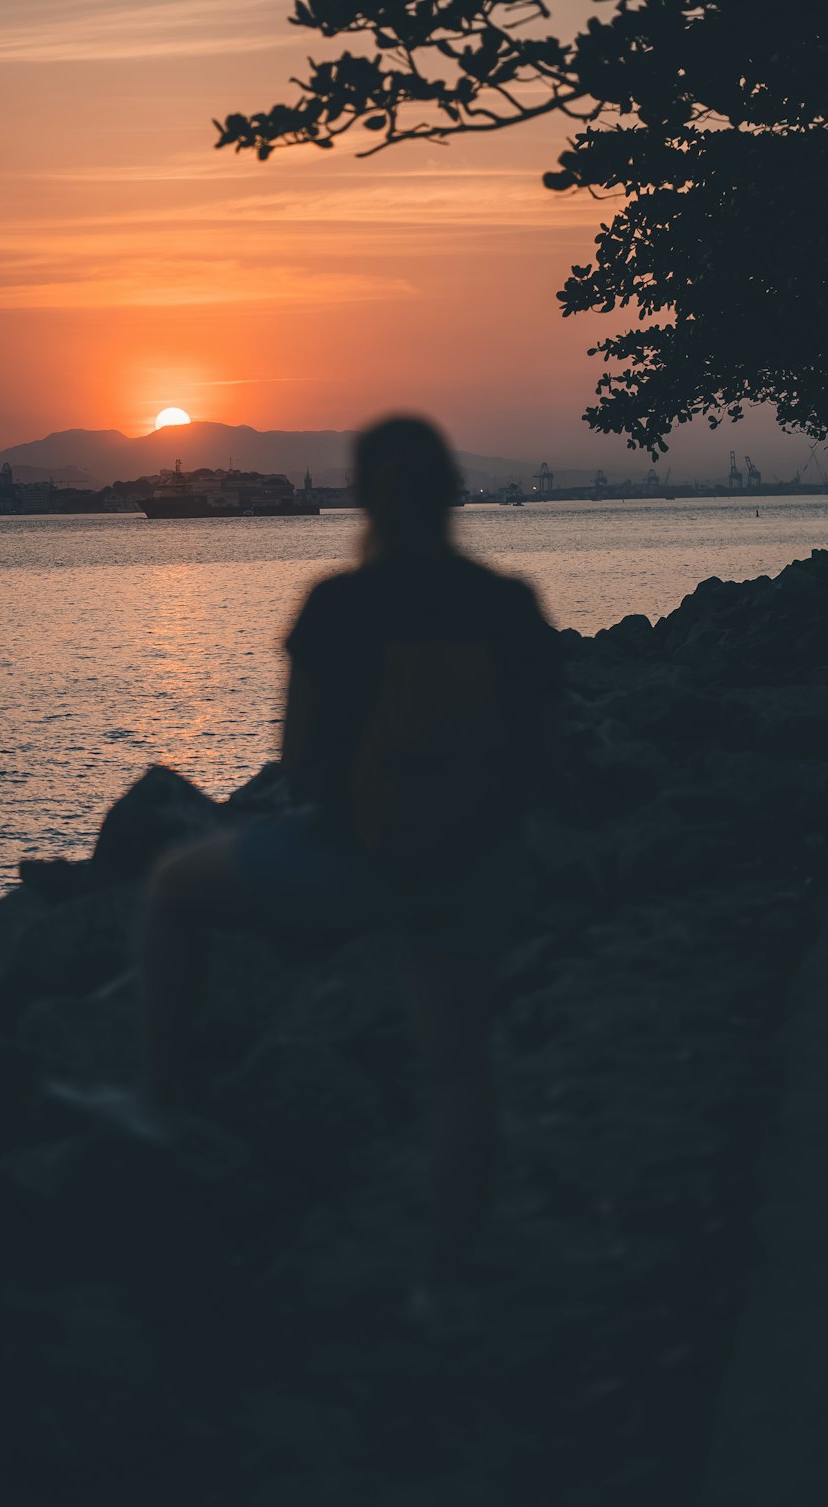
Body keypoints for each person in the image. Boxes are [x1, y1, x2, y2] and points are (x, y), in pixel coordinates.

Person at [140, 416, 562, 1289]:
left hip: (351, 857)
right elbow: (540, 754)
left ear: (362, 496)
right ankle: (449, 1285)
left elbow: (298, 767)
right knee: (457, 1070)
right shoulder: (510, 604)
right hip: (475, 866)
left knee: (174, 887)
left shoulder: (337, 605)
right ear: (451, 492)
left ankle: (160, 1105)